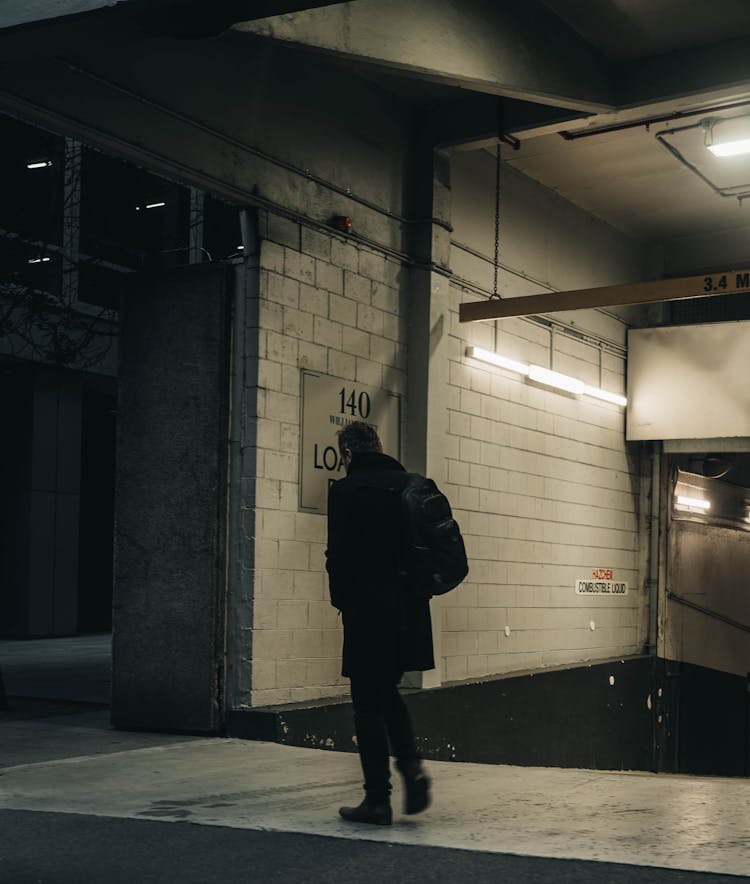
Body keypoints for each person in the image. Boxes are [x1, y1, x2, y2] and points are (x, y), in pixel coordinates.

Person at [326, 421, 434, 826]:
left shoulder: (347, 491)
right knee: (386, 690)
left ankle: (377, 800)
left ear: (348, 455)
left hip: (367, 611)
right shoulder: (410, 484)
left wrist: (343, 602)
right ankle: (411, 768)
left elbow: (338, 559)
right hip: (407, 613)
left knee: (366, 703)